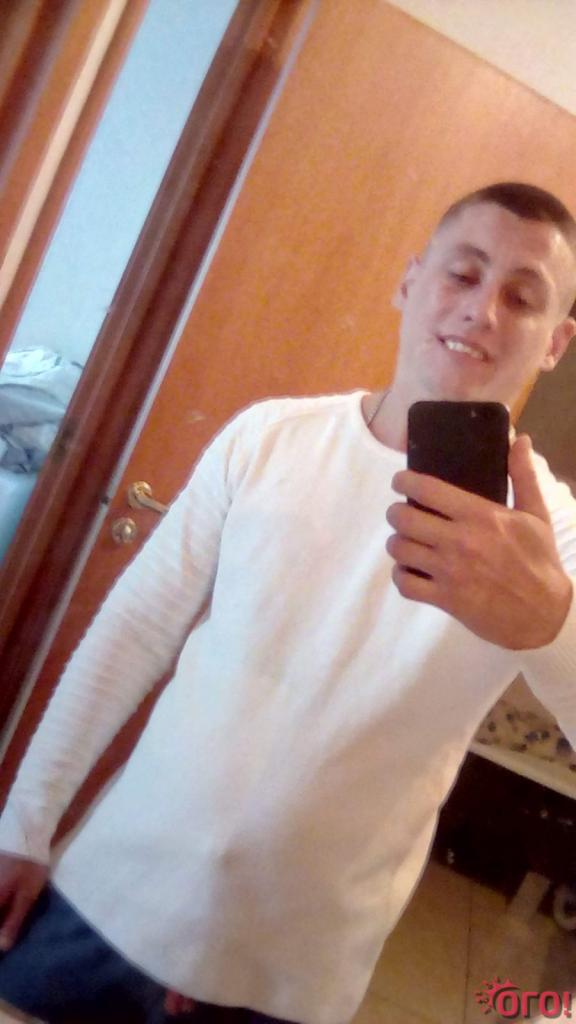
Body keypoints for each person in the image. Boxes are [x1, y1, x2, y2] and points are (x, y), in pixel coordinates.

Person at [1, 181, 576, 1024]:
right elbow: (134, 631)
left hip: (293, 968)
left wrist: (552, 627)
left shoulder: (552, 537)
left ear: (557, 341)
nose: (482, 310)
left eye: (522, 298)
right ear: (409, 280)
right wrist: (25, 823)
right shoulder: (269, 437)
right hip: (113, 894)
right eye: (463, 273)